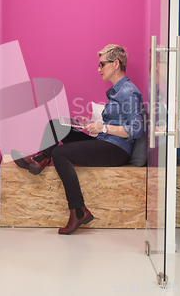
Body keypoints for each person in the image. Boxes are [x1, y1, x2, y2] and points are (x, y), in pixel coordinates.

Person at [11, 44, 143, 235]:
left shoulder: (129, 92)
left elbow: (136, 130)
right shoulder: (117, 91)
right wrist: (90, 124)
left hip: (116, 150)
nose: (98, 69)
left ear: (115, 64)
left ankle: (78, 210)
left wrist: (102, 127)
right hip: (104, 141)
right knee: (56, 125)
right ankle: (40, 160)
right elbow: (115, 122)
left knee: (60, 153)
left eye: (102, 65)